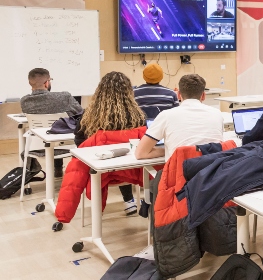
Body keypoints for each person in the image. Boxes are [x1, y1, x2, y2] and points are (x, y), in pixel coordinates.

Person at [75, 72, 147, 215]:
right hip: (130, 170)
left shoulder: (88, 116)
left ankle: (111, 205)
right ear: (128, 92)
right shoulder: (138, 116)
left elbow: (80, 143)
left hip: (98, 170)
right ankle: (129, 200)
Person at [135, 74, 224, 161]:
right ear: (203, 95)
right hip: (213, 173)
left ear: (178, 95)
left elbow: (140, 153)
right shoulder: (217, 114)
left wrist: (171, 150)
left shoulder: (166, 116)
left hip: (179, 174)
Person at [20, 68, 84, 177]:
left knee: (51, 129)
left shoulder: (25, 101)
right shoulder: (64, 97)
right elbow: (81, 113)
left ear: (30, 83)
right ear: (47, 83)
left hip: (37, 146)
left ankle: (57, 169)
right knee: (59, 127)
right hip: (66, 146)